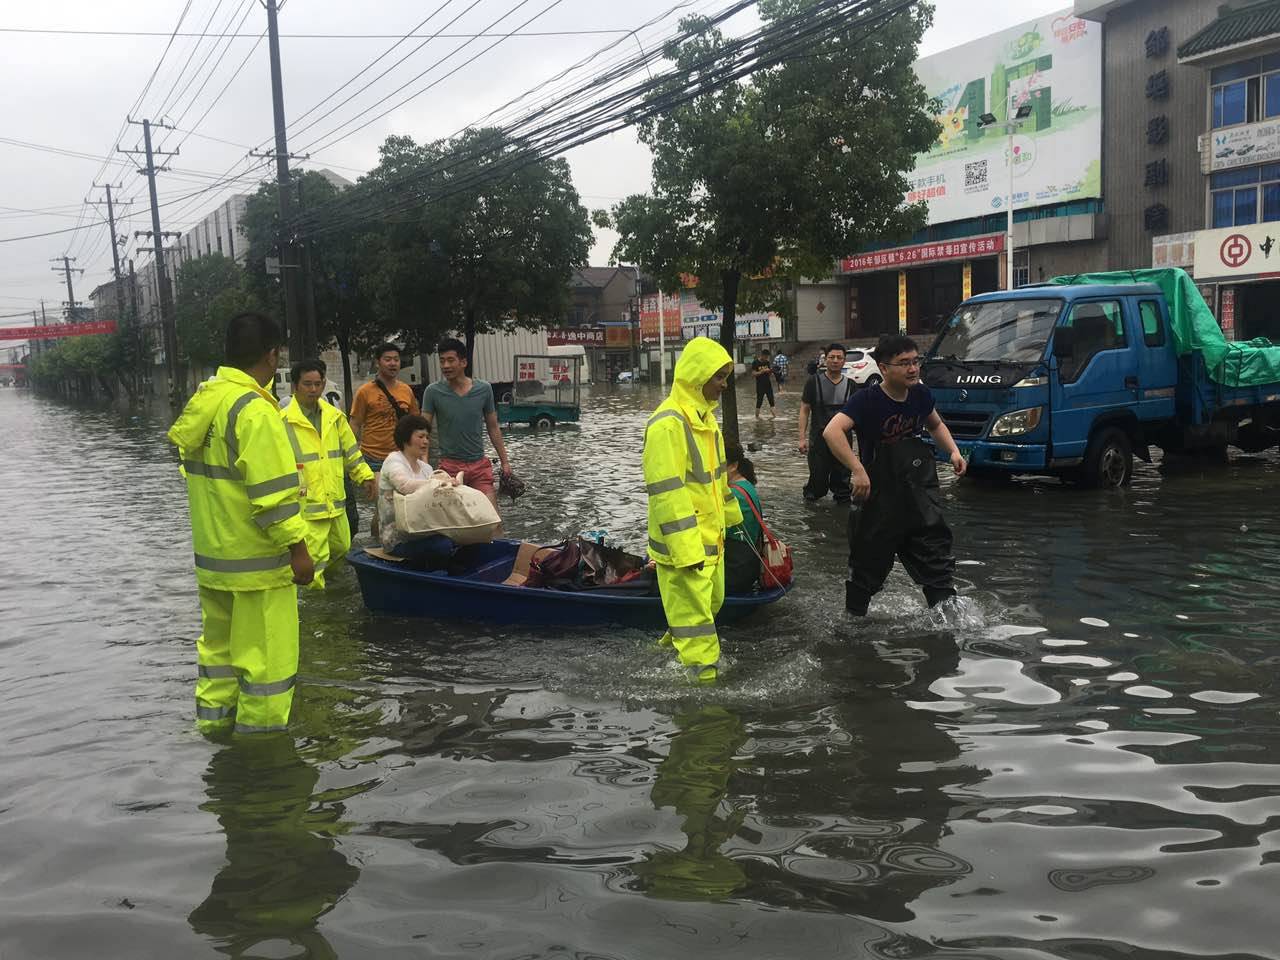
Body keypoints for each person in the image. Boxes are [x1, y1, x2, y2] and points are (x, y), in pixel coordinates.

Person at [167, 311, 314, 736]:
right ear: (273, 355)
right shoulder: (254, 410)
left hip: (214, 562)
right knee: (266, 668)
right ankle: (262, 763)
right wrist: (298, 550)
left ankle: (213, 733)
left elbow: (198, 477)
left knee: (218, 658)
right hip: (257, 568)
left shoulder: (205, 402)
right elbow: (272, 495)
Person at [822, 334, 968, 616]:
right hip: (878, 499)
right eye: (904, 363)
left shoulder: (921, 394)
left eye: (916, 361)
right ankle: (853, 628)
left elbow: (935, 424)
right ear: (884, 368)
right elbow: (832, 431)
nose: (913, 369)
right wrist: (858, 470)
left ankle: (947, 626)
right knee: (867, 567)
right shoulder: (867, 400)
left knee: (936, 559)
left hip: (918, 495)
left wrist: (953, 451)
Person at [642, 336, 744, 683]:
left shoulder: (706, 421)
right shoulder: (667, 425)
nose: (723, 385)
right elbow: (667, 495)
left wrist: (733, 522)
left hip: (710, 542)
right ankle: (705, 690)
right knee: (698, 629)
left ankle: (666, 656)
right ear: (698, 376)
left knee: (706, 609)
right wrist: (686, 552)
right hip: (685, 551)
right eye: (719, 377)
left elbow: (717, 481)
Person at [281, 359, 376, 589]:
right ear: (295, 386)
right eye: (307, 384)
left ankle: (331, 593)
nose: (313, 390)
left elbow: (350, 451)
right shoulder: (282, 421)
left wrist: (365, 476)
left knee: (342, 548)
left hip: (335, 502)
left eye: (317, 384)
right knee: (314, 565)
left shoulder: (334, 417)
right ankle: (318, 614)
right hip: (307, 506)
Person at [421, 337, 512, 511]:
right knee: (456, 522)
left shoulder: (483, 389)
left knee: (492, 519)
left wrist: (505, 462)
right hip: (449, 468)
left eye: (450, 360)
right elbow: (422, 432)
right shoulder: (432, 392)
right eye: (442, 361)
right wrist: (424, 466)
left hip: (479, 466)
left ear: (463, 362)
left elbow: (493, 427)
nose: (445, 366)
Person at [376, 413, 442, 556]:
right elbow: (404, 485)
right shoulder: (393, 461)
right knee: (442, 545)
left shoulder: (426, 469)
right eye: (420, 437)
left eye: (427, 437)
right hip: (397, 540)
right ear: (406, 439)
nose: (425, 441)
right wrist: (438, 483)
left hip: (423, 534)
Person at [349, 342, 420, 472]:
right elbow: (355, 424)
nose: (392, 363)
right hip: (373, 458)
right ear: (377, 363)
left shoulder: (406, 390)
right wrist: (352, 455)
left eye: (396, 360)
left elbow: (416, 423)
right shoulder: (364, 391)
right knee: (378, 492)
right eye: (387, 359)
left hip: (402, 456)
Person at [799, 343, 854, 503]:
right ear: (825, 360)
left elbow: (858, 417)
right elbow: (804, 410)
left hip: (843, 441)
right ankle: (813, 521)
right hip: (819, 440)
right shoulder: (813, 382)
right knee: (817, 483)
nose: (835, 361)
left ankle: (842, 520)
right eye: (832, 357)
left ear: (844, 361)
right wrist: (801, 438)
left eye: (839, 358)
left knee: (843, 485)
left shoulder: (851, 386)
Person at [724, 440, 763, 595]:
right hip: (749, 568)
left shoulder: (732, 495)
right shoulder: (747, 487)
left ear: (733, 466)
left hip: (734, 573)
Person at [750, 347, 776, 419]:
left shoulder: (767, 362)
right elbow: (753, 374)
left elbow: (769, 374)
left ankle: (775, 417)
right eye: (766, 356)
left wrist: (770, 371)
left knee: (771, 400)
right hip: (760, 385)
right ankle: (757, 417)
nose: (767, 358)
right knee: (759, 401)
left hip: (768, 384)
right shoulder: (755, 362)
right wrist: (762, 371)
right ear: (762, 355)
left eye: (768, 357)